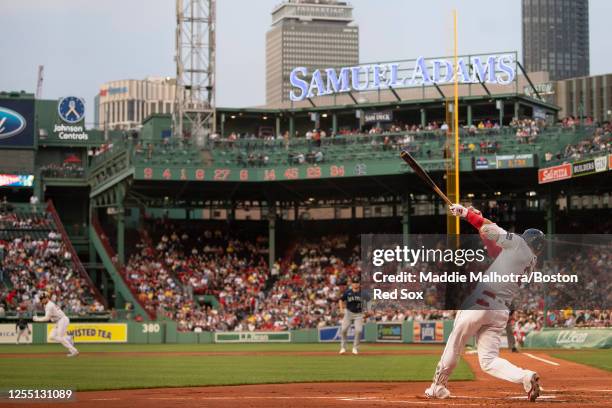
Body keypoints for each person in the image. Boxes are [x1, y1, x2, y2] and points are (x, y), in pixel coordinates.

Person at [424, 203, 545, 402]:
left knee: (455, 343)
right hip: (500, 312)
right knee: (489, 360)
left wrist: (466, 214)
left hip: (481, 302)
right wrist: (475, 218)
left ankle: (438, 386)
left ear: (527, 239)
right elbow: (491, 238)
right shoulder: (530, 260)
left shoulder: (518, 244)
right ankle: (525, 376)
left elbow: (491, 229)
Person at [33, 293, 79, 357]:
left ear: (46, 298)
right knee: (51, 336)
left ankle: (74, 351)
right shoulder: (47, 304)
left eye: (42, 298)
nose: (41, 300)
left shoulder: (49, 306)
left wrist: (37, 319)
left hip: (62, 319)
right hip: (58, 321)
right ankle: (68, 338)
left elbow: (47, 318)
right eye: (41, 299)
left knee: (60, 337)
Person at [339, 276, 364, 355]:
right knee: (343, 330)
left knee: (359, 330)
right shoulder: (348, 292)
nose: (355, 284)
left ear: (359, 284)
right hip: (348, 313)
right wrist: (341, 309)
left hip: (358, 314)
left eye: (357, 283)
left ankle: (355, 348)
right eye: (354, 283)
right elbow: (341, 300)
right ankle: (343, 347)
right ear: (352, 284)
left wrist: (368, 310)